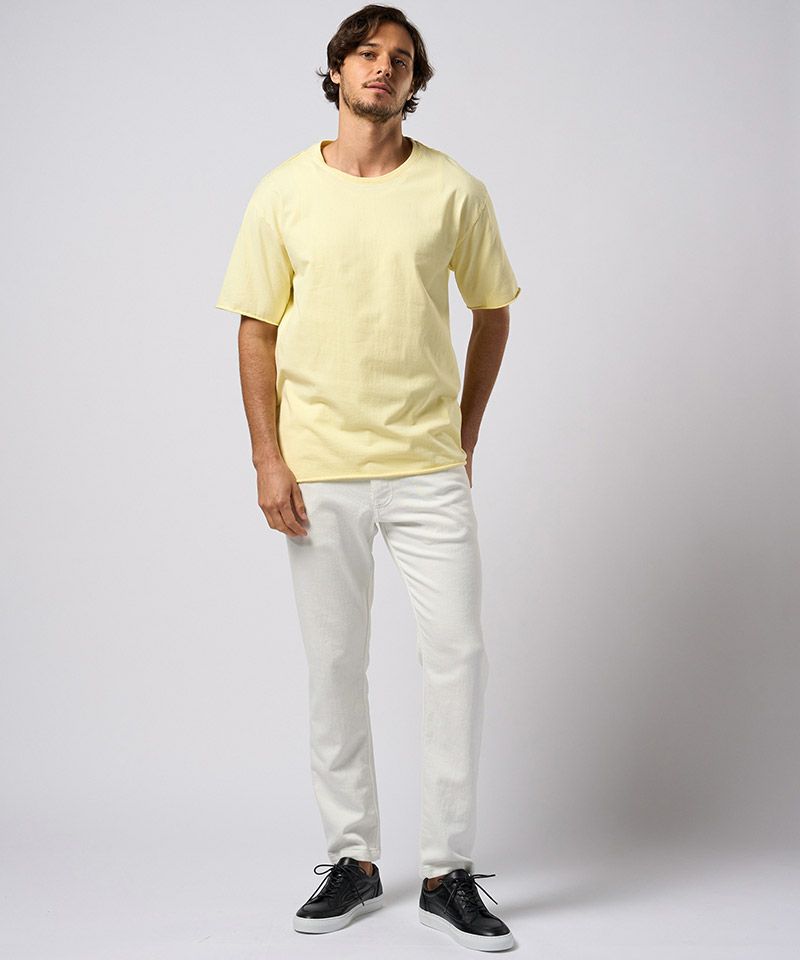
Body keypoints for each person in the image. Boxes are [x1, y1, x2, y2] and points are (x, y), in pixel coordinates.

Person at [215, 4, 520, 952]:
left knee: (458, 657)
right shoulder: (283, 192)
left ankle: (448, 872)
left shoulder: (453, 190)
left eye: (401, 59)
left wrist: (465, 433)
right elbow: (256, 327)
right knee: (336, 666)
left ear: (414, 82)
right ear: (339, 69)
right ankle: (353, 860)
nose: (383, 68)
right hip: (321, 472)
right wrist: (268, 457)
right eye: (367, 54)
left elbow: (494, 311)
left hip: (427, 468)